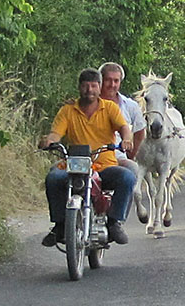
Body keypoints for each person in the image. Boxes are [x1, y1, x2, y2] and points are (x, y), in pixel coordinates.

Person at [38, 68, 136, 246]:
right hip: (74, 166)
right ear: (79, 88)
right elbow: (56, 133)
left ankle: (114, 222)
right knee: (53, 178)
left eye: (93, 86)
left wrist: (127, 139)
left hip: (104, 166)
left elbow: (124, 127)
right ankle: (59, 224)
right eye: (85, 86)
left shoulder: (110, 108)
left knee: (127, 176)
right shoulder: (68, 110)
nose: (89, 90)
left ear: (99, 88)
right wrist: (49, 141)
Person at [97, 62, 147, 177]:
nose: (112, 84)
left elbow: (140, 132)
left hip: (118, 158)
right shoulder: (90, 103)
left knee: (132, 168)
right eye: (108, 80)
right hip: (91, 158)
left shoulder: (131, 106)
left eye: (116, 81)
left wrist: (131, 153)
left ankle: (126, 195)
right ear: (100, 81)